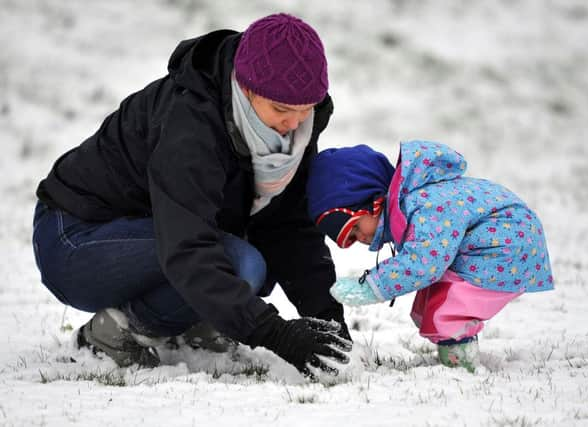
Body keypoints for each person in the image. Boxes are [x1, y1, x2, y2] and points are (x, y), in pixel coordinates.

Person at [32, 13, 351, 378]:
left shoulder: (288, 133)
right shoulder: (191, 123)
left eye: (305, 109)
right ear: (245, 88)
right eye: (281, 109)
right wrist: (276, 334)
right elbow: (188, 247)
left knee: (252, 260)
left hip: (153, 233)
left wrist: (327, 317)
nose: (294, 123)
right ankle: (116, 331)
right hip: (73, 240)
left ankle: (191, 326)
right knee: (241, 264)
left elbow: (287, 226)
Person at [307, 140, 554, 372]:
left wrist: (372, 286)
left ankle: (460, 368)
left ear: (372, 203)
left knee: (447, 310)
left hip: (505, 246)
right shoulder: (412, 203)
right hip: (494, 243)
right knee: (428, 307)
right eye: (351, 239)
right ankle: (457, 350)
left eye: (357, 228)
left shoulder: (425, 206)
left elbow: (422, 265)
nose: (360, 238)